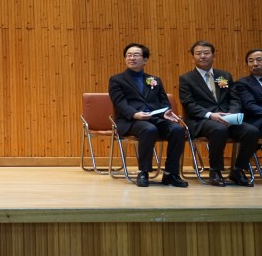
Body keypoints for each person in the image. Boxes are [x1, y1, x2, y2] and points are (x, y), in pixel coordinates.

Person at [179, 41, 258, 187]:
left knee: (251, 131)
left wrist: (231, 114)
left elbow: (234, 99)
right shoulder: (186, 79)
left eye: (206, 53)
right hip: (201, 121)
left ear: (213, 56)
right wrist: (211, 115)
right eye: (198, 53)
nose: (203, 56)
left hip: (227, 119)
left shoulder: (224, 75)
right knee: (219, 129)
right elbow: (189, 104)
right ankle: (215, 171)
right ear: (193, 57)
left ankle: (238, 170)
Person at [108, 43, 188, 188]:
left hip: (155, 118)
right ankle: (143, 172)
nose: (131, 58)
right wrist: (135, 114)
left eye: (136, 55)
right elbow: (120, 103)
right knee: (149, 129)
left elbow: (164, 102)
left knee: (177, 130)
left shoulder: (154, 79)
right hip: (131, 120)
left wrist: (166, 112)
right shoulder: (117, 80)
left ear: (145, 60)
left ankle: (170, 173)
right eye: (129, 55)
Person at [236, 49, 262, 132]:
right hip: (256, 119)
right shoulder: (242, 83)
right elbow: (250, 105)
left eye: (259, 60)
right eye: (251, 61)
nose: (255, 64)